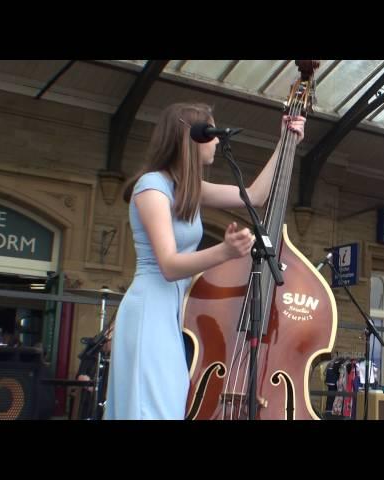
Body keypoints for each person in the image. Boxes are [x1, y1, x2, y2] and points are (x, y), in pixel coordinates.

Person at [104, 102, 305, 420]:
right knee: (151, 407)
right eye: (210, 133)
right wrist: (224, 251)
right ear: (190, 139)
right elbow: (168, 265)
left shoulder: (187, 189)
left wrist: (284, 141)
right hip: (148, 311)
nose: (215, 141)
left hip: (172, 313)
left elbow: (253, 196)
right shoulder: (152, 187)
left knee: (168, 404)